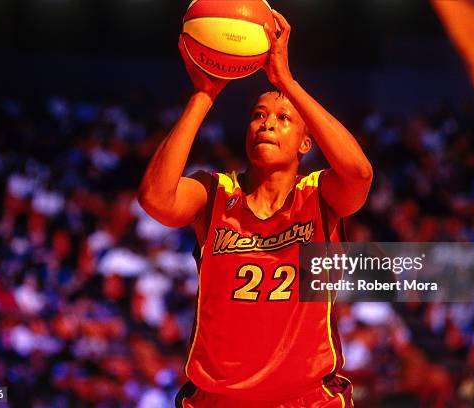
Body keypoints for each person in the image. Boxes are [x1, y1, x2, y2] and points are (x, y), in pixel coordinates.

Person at [139, 9, 372, 408]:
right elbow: (156, 200)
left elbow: (359, 173)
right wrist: (203, 96)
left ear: (305, 142)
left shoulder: (318, 196)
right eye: (258, 116)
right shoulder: (215, 192)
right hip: (218, 399)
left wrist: (286, 82)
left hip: (307, 398)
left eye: (283, 119)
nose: (267, 124)